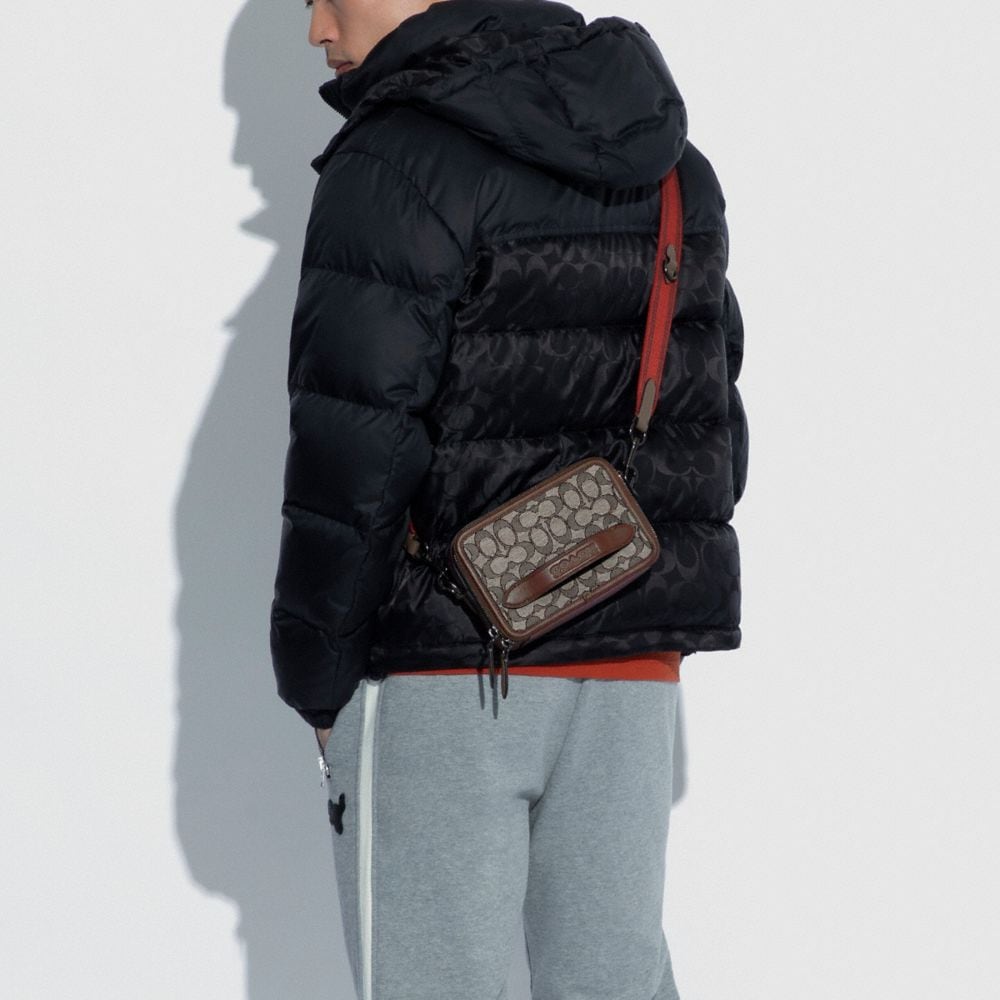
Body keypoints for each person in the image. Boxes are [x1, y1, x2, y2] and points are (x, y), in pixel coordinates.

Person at [270, 1, 748, 997]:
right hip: (632, 664)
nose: (316, 28)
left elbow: (352, 445)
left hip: (444, 668)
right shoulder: (668, 160)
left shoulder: (395, 159)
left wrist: (317, 674)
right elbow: (710, 416)